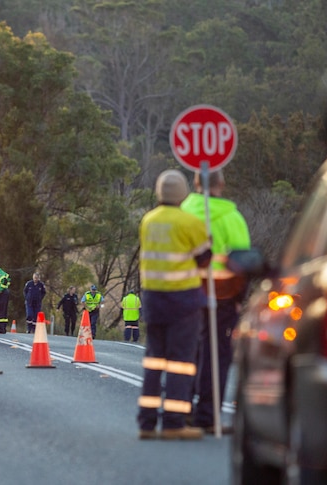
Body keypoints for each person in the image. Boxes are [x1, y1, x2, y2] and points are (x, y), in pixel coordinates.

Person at [137, 169, 211, 440]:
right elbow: (204, 259)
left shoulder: (148, 220)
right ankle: (173, 422)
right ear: (183, 194)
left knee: (154, 360)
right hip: (183, 301)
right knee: (180, 363)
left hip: (154, 299)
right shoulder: (189, 222)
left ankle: (146, 423)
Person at [180, 170, 251, 434]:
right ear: (221, 183)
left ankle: (181, 407)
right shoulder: (233, 218)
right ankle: (208, 416)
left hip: (184, 291)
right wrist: (239, 299)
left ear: (196, 182)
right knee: (217, 353)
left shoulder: (183, 212)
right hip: (222, 295)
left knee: (187, 349)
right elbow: (242, 264)